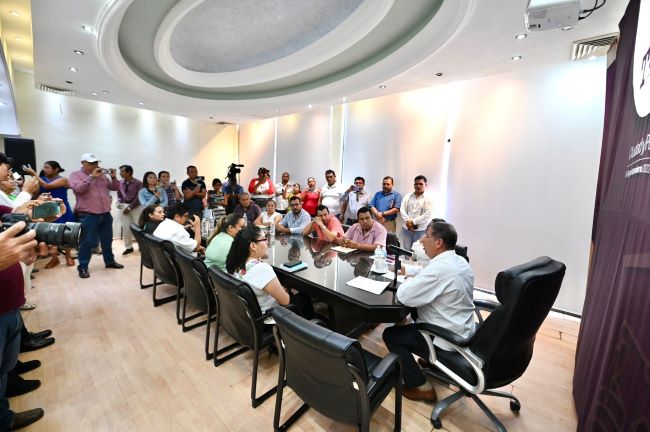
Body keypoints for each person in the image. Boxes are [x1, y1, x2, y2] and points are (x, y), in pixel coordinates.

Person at [382, 221, 474, 402]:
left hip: (445, 336)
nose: (422, 240)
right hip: (462, 327)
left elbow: (405, 296)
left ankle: (420, 386)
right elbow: (429, 273)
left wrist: (408, 280)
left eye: (427, 236)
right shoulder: (459, 260)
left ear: (438, 242)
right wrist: (411, 272)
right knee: (414, 316)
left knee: (391, 335)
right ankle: (433, 362)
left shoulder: (441, 269)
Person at [0, 153, 46, 431]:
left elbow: (15, 218)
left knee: (5, 365)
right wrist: (26, 193)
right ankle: (4, 420)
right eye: (5, 172)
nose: (10, 177)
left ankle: (10, 385)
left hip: (8, 299)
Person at [69, 153, 124, 279]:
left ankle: (110, 262)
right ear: (83, 163)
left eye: (96, 162)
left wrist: (114, 177)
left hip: (105, 214)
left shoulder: (102, 176)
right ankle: (83, 267)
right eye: (91, 163)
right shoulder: (75, 175)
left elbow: (115, 187)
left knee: (107, 240)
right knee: (86, 242)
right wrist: (91, 177)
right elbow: (78, 189)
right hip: (88, 215)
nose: (95, 165)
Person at [24, 161, 76, 267]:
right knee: (49, 233)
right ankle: (54, 258)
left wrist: (34, 174)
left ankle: (68, 256)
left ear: (56, 169)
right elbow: (36, 193)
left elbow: (47, 186)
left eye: (47, 167)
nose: (44, 169)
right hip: (47, 209)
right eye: (44, 167)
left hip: (62, 208)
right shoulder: (41, 179)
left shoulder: (63, 179)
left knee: (67, 232)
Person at [399, 175, 434, 251]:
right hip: (407, 229)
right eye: (416, 184)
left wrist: (413, 222)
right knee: (406, 249)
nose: (418, 186)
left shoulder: (429, 198)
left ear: (425, 185)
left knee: (418, 251)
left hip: (420, 230)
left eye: (421, 184)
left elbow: (427, 214)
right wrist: (408, 222)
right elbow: (402, 209)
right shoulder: (408, 196)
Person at [117, 165, 143, 256]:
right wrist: (119, 202)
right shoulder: (120, 182)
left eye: (122, 171)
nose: (120, 173)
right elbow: (119, 194)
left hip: (136, 206)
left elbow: (138, 197)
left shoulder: (138, 183)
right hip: (124, 206)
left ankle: (142, 246)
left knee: (138, 227)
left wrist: (130, 207)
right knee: (126, 228)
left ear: (129, 172)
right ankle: (128, 247)